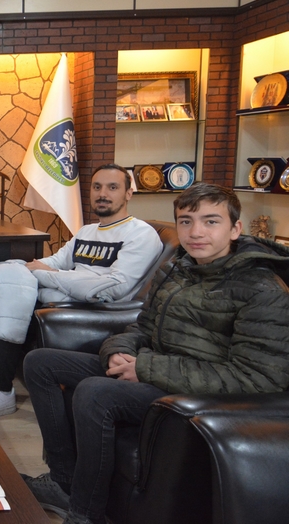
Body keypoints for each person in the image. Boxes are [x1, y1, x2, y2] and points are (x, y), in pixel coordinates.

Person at [20, 183, 289, 524]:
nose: (196, 232)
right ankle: (63, 481)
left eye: (211, 221)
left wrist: (147, 368)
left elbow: (258, 378)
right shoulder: (176, 268)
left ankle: (84, 515)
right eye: (186, 221)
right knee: (41, 363)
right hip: (155, 369)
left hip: (197, 394)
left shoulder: (262, 289)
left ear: (235, 229)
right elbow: (142, 325)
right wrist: (118, 351)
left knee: (95, 392)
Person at [0, 165, 162, 419]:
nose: (103, 194)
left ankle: (0, 391)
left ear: (128, 193)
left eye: (112, 187)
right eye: (97, 187)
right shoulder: (87, 231)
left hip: (97, 310)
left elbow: (114, 287)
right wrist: (33, 270)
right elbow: (56, 262)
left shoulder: (141, 234)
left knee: (13, 298)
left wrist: (49, 275)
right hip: (69, 297)